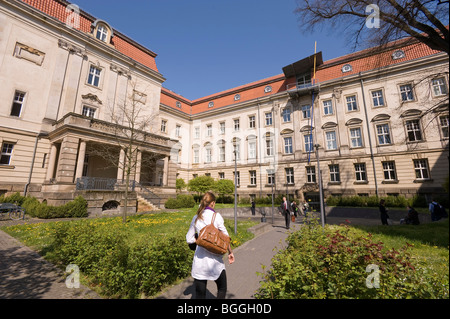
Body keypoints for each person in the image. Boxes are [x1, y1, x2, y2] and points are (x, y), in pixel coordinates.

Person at [186, 192, 235, 299]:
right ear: (212, 203)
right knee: (222, 288)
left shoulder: (196, 217)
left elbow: (189, 239)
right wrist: (230, 252)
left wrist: (198, 238)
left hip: (199, 262)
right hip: (215, 262)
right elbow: (226, 238)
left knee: (200, 295)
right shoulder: (216, 216)